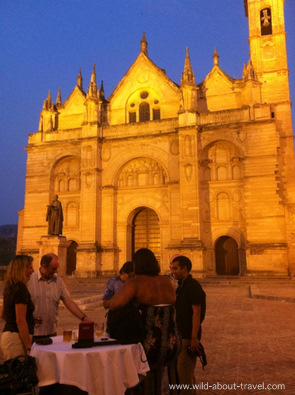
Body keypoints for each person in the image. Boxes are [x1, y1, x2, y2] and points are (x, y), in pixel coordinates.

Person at [106, 248, 181, 394]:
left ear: (137, 265)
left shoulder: (135, 282)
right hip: (172, 345)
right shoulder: (167, 281)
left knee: (121, 358)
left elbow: (114, 303)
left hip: (148, 348)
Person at [28, 253, 94, 341]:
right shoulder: (29, 280)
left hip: (51, 334)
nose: (57, 271)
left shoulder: (58, 281)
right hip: (32, 334)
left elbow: (69, 302)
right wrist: (28, 318)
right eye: (54, 269)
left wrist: (84, 318)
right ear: (44, 266)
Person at [170, 255, 206, 394]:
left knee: (184, 374)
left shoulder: (193, 286)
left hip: (188, 336)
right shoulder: (182, 286)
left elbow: (196, 313)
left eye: (175, 268)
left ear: (184, 269)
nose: (173, 272)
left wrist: (194, 338)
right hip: (181, 335)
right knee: (186, 375)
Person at [0, 255, 35, 360]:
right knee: (19, 374)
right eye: (29, 267)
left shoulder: (10, 287)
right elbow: (20, 321)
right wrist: (29, 347)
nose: (32, 271)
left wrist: (30, 319)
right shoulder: (21, 289)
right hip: (16, 339)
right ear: (21, 270)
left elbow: (4, 314)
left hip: (9, 336)